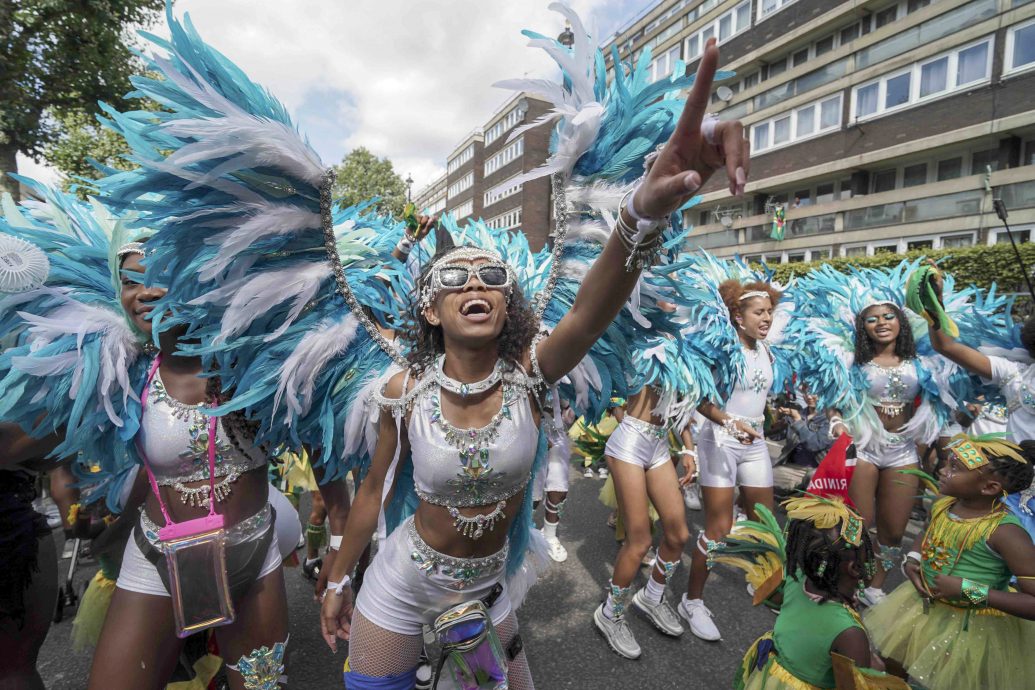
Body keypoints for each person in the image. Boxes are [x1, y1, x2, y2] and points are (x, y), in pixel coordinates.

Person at [787, 262, 971, 607]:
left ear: (901, 321)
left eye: (888, 316)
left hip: (903, 450)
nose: (881, 323)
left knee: (894, 531)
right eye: (872, 319)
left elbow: (939, 403)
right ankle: (845, 580)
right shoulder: (852, 361)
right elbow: (834, 401)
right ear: (862, 327)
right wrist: (837, 422)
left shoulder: (924, 362)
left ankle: (875, 585)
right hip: (864, 446)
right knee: (858, 523)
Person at [864, 435, 1035, 689]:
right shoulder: (945, 504)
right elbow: (927, 530)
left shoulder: (1007, 534)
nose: (942, 471)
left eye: (955, 468)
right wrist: (914, 559)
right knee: (894, 665)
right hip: (919, 611)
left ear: (989, 488)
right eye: (947, 463)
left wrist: (968, 591)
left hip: (972, 630)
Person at [677, 271, 788, 642]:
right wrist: (728, 421)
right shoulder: (723, 351)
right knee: (718, 530)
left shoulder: (767, 351)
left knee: (765, 521)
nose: (766, 319)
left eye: (769, 312)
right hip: (719, 440)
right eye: (758, 312)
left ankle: (761, 579)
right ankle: (692, 600)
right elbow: (699, 398)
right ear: (738, 317)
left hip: (754, 442)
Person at [717, 496, 908, 690]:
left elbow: (773, 600)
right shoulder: (850, 633)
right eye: (869, 550)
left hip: (770, 678)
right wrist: (874, 667)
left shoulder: (796, 576)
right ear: (855, 569)